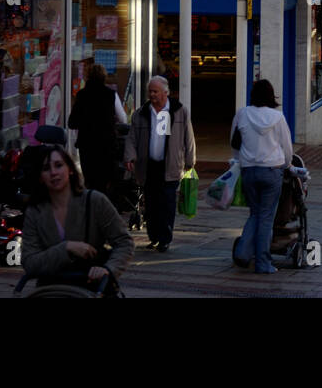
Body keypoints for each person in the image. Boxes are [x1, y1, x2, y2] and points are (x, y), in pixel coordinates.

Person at [21, 140, 134, 291]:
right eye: (46, 168)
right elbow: (30, 263)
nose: (53, 172)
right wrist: (66, 248)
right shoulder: (35, 212)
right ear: (40, 177)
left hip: (89, 286)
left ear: (70, 169)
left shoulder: (94, 201)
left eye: (59, 165)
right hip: (51, 290)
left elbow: (124, 242)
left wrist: (108, 269)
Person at [124, 76, 196, 253]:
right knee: (151, 204)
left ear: (166, 92)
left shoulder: (179, 111)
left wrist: (190, 160)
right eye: (150, 91)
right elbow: (132, 138)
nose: (152, 94)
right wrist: (130, 156)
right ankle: (154, 236)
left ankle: (164, 238)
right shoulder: (142, 113)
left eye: (155, 91)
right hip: (148, 166)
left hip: (170, 165)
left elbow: (189, 137)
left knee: (167, 203)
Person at [230, 79, 293, 273]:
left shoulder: (242, 114)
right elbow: (287, 147)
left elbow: (234, 143)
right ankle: (263, 262)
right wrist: (287, 164)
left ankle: (242, 252)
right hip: (272, 170)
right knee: (266, 217)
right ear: (271, 95)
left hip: (249, 170)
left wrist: (240, 162)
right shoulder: (278, 117)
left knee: (255, 214)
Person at [67, 63, 127, 193]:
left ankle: (90, 209)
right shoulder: (111, 95)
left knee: (90, 181)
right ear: (104, 77)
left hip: (86, 146)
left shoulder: (82, 95)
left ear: (87, 77)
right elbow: (123, 118)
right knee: (104, 182)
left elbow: (72, 123)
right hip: (106, 146)